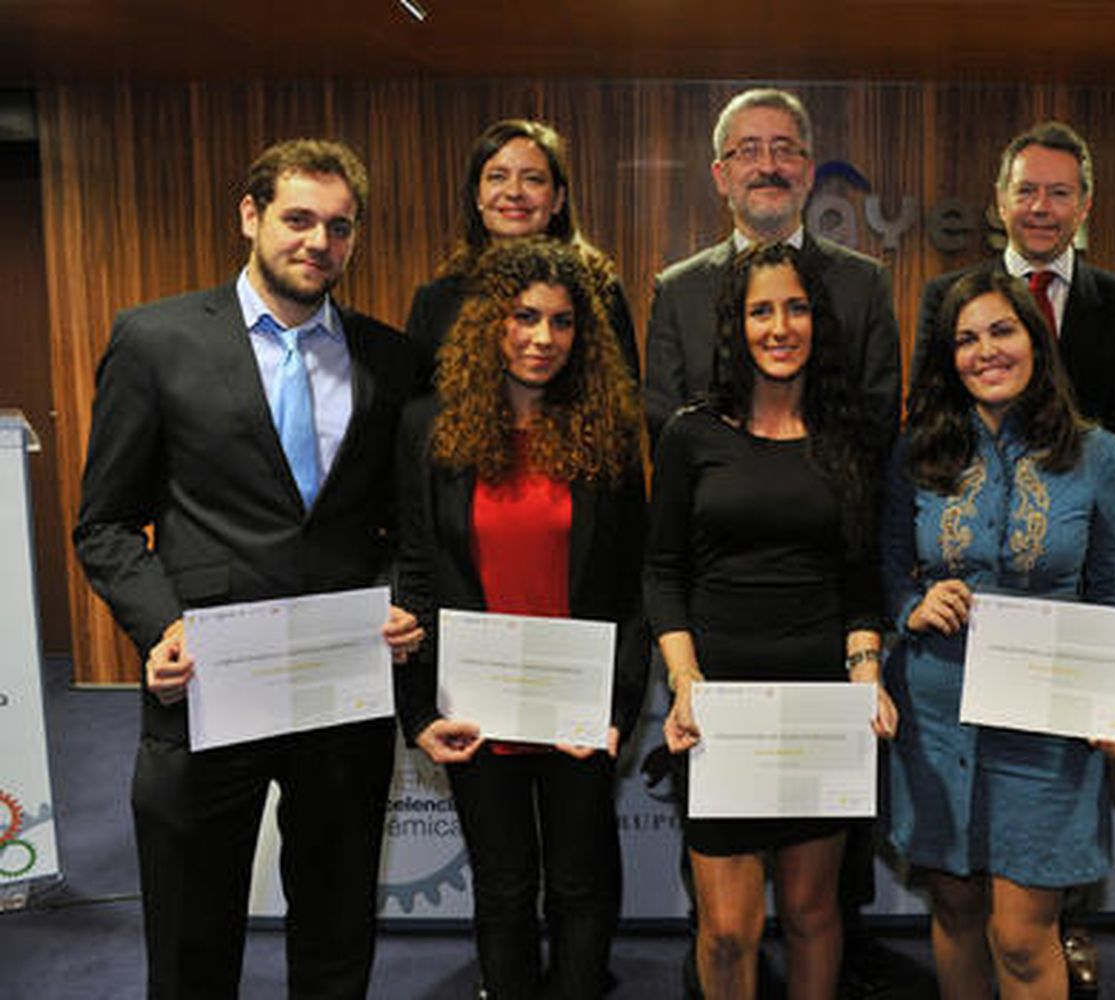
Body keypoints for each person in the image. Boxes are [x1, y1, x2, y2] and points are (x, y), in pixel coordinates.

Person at [73, 138, 422, 999]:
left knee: (338, 930)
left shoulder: (391, 361)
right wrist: (160, 627)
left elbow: (409, 525)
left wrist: (406, 605)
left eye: (339, 227)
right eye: (298, 219)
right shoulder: (154, 341)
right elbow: (107, 524)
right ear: (251, 216)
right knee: (194, 937)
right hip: (205, 686)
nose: (318, 242)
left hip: (341, 688)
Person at [643, 86, 902, 997]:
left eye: (785, 146)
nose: (780, 327)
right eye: (748, 148)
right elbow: (665, 557)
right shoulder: (689, 413)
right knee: (725, 928)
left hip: (822, 686)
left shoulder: (862, 303)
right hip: (720, 695)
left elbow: (864, 550)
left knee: (817, 911)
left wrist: (866, 663)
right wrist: (684, 679)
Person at [392, 237, 647, 999]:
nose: (543, 339)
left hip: (575, 705)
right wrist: (415, 711)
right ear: (488, 326)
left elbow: (633, 585)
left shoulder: (609, 433)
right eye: (524, 317)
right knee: (503, 888)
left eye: (563, 322)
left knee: (581, 883)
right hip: (474, 706)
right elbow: (415, 568)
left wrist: (618, 710)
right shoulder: (427, 428)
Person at [882, 269, 1115, 999]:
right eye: (965, 339)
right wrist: (913, 604)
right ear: (947, 357)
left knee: (1024, 937)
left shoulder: (1098, 455)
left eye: (1002, 331)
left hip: (1047, 729)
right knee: (958, 909)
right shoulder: (917, 452)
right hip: (936, 721)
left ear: (1036, 341)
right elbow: (887, 569)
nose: (985, 351)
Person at [644, 87, 900, 447]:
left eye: (784, 150)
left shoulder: (864, 283)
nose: (768, 167)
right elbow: (665, 428)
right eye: (748, 151)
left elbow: (880, 421)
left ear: (809, 173)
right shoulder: (678, 291)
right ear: (721, 175)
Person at [913, 121, 1115, 442]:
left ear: (1084, 206)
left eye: (1059, 193)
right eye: (1026, 191)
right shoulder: (945, 296)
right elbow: (927, 412)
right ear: (1001, 201)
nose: (1040, 208)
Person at [406, 118, 639, 390]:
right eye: (498, 177)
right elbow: (418, 412)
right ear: (477, 197)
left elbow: (626, 402)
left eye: (532, 179)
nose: (514, 192)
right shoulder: (435, 301)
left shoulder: (600, 291)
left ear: (558, 199)